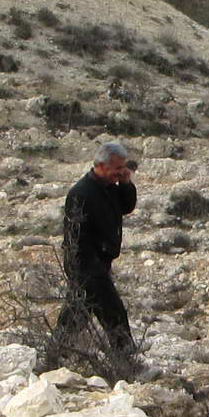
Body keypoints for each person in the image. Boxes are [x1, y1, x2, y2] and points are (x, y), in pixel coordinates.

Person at [53, 141, 138, 365]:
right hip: (87, 263)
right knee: (113, 311)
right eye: (117, 168)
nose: (121, 172)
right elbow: (75, 239)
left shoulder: (110, 187)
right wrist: (88, 270)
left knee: (78, 311)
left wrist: (126, 184)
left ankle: (55, 352)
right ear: (101, 165)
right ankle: (126, 360)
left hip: (99, 262)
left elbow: (126, 206)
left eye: (123, 167)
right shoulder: (81, 194)